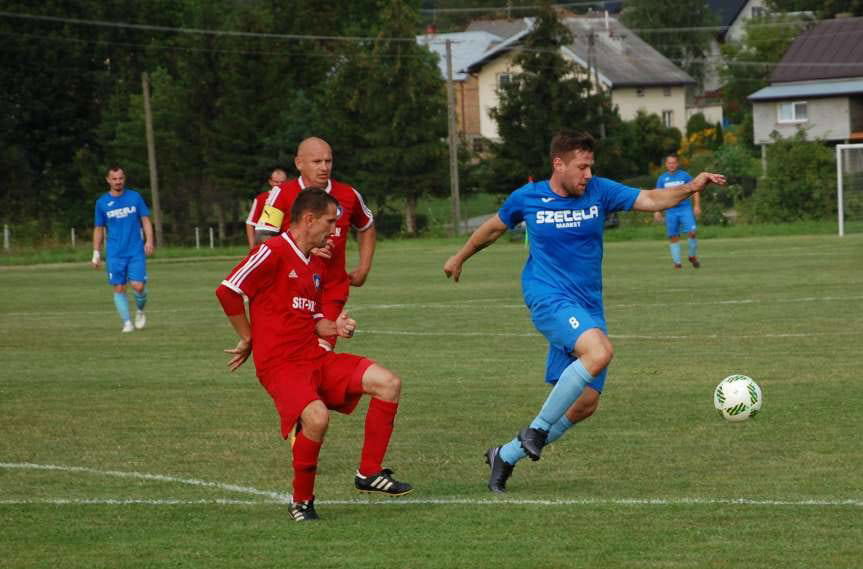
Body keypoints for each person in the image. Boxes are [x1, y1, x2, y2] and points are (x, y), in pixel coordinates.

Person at [443, 131, 725, 493]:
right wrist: (459, 256)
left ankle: (506, 454)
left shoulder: (600, 191)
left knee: (585, 404)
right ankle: (536, 431)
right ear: (557, 164)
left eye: (591, 166)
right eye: (581, 167)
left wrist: (691, 187)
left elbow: (652, 198)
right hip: (548, 297)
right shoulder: (527, 198)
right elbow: (493, 228)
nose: (588, 174)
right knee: (600, 352)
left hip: (588, 305)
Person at [216, 188, 412, 522]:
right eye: (330, 221)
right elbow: (228, 291)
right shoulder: (273, 250)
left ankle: (368, 472)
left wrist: (337, 326)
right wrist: (249, 338)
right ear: (309, 219)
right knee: (317, 418)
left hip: (314, 357)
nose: (335, 229)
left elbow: (313, 322)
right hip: (280, 365)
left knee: (388, 383)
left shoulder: (313, 265)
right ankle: (301, 501)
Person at [255, 137, 376, 349]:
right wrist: (304, 249)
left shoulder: (348, 195)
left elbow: (366, 225)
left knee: (321, 351)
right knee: (293, 353)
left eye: (328, 161)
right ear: (299, 163)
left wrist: (364, 268)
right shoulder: (280, 195)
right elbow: (264, 236)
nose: (324, 167)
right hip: (292, 292)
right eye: (317, 162)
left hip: (331, 289)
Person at [92, 165, 155, 333]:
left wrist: (149, 240)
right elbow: (98, 228)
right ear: (108, 180)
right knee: (119, 287)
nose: (118, 181)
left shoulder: (135, 197)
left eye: (120, 178)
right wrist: (96, 253)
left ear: (124, 178)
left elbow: (146, 220)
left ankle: (140, 311)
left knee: (139, 287)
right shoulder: (102, 203)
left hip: (135, 251)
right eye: (114, 179)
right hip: (114, 253)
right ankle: (127, 322)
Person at [654, 154, 701, 269]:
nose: (672, 165)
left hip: (685, 209)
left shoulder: (685, 176)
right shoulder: (662, 179)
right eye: (669, 163)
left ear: (677, 163)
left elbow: (695, 190)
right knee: (673, 236)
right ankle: (677, 263)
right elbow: (657, 196)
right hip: (670, 211)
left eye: (674, 163)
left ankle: (692, 256)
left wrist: (697, 206)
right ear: (666, 164)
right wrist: (657, 211)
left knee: (692, 232)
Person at [244, 168, 289, 249]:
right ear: (270, 182)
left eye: (282, 182)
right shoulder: (261, 199)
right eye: (276, 182)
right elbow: (250, 223)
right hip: (268, 244)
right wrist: (252, 247)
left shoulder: (292, 197)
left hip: (287, 243)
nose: (279, 184)